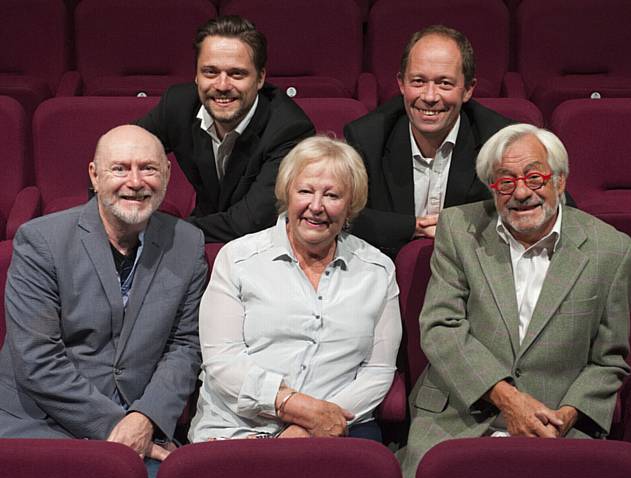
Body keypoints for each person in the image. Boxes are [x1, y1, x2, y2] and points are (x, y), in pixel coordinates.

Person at [398, 124, 631, 478]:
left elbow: (609, 360)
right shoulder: (458, 229)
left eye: (535, 178)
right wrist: (508, 400)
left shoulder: (611, 250)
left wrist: (564, 416)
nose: (521, 192)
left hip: (556, 427)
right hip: (458, 422)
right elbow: (440, 328)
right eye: (505, 182)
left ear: (560, 181)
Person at [0, 125, 208, 478]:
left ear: (167, 176)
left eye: (148, 168)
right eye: (120, 169)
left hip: (142, 426)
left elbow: (185, 346)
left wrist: (145, 418)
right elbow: (37, 359)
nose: (135, 181)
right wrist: (118, 427)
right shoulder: (40, 241)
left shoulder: (187, 244)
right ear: (95, 175)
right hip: (39, 424)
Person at [189, 136, 402, 442]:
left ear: (351, 205)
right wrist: (298, 409)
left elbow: (377, 372)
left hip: (337, 430)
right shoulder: (238, 258)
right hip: (236, 428)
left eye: (332, 195)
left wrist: (310, 427)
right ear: (286, 194)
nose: (316, 207)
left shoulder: (377, 270)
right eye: (305, 191)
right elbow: (222, 360)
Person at [137, 15, 315, 242]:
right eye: (210, 72)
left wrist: (163, 230)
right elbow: (120, 151)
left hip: (262, 248)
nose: (222, 86)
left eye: (236, 74)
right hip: (203, 235)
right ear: (196, 75)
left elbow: (249, 222)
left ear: (260, 78)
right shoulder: (178, 104)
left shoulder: (289, 130)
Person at [344, 25, 513, 256]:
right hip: (388, 271)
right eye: (418, 81)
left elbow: (549, 205)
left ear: (468, 89)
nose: (430, 96)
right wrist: (412, 227)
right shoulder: (367, 137)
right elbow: (342, 214)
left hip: (476, 271)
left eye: (444, 83)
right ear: (401, 84)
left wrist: (451, 230)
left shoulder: (500, 140)